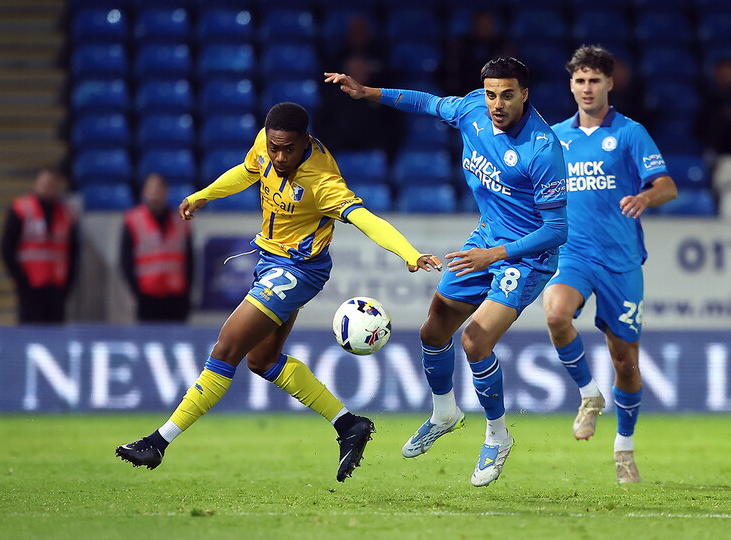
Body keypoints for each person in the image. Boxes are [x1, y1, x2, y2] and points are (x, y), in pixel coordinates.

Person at [115, 103, 442, 483]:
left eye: (288, 148)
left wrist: (409, 253)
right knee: (262, 360)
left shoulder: (322, 180)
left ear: (306, 139)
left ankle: (158, 442)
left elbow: (365, 219)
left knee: (226, 349)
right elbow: (246, 170)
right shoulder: (266, 143)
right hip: (270, 260)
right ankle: (349, 425)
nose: (280, 156)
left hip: (298, 270)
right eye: (274, 148)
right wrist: (206, 193)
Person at [325, 57, 568, 487]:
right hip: (487, 239)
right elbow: (427, 102)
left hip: (525, 255)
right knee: (432, 331)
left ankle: (498, 436)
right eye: (492, 93)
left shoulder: (542, 150)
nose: (497, 103)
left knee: (475, 341)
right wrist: (369, 93)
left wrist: (496, 255)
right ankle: (445, 412)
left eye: (507, 95)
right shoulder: (473, 108)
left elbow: (556, 229)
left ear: (525, 94)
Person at [544, 46, 678, 483]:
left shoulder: (629, 133)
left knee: (626, 363)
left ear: (609, 84)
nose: (587, 88)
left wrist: (644, 196)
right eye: (580, 80)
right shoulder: (556, 137)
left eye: (595, 80)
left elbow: (668, 185)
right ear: (571, 85)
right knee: (556, 314)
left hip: (620, 261)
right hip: (574, 254)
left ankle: (624, 446)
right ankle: (587, 394)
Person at [0, 168, 79, 324]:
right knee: (29, 332)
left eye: (53, 184)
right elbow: (6, 247)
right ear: (35, 184)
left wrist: (69, 282)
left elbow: (73, 252)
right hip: (30, 284)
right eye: (45, 183)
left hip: (57, 286)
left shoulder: (67, 214)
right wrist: (20, 278)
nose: (49, 187)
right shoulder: (21, 209)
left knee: (55, 334)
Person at [120, 173, 193, 322]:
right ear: (144, 192)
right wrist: (136, 291)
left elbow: (190, 260)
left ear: (166, 192)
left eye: (159, 189)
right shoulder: (133, 220)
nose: (155, 193)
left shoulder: (181, 221)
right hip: (147, 296)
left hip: (176, 297)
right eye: (151, 189)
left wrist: (187, 292)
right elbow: (125, 260)